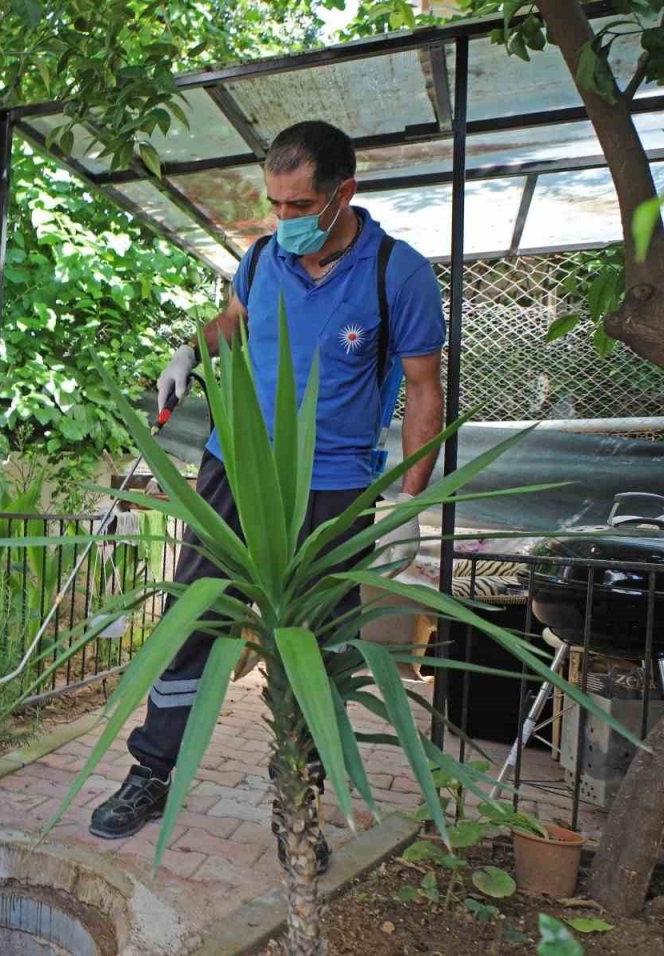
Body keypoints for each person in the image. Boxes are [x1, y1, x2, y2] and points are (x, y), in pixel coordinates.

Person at [88, 121, 445, 872]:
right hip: (235, 472)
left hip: (333, 491)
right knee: (192, 622)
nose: (283, 219)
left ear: (344, 192)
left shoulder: (398, 274)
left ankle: (299, 802)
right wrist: (193, 348)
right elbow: (237, 320)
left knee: (317, 647)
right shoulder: (261, 258)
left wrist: (412, 504)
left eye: (298, 204)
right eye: (275, 203)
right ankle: (153, 770)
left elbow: (422, 391)